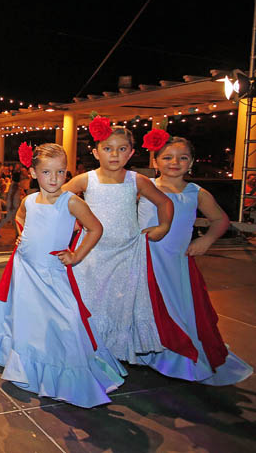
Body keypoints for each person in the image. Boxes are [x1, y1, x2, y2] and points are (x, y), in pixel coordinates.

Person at [0, 143, 125, 408]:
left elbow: (95, 228)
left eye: (60, 172)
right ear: (33, 172)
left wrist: (76, 255)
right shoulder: (29, 200)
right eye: (47, 172)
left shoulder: (72, 201)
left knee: (66, 318)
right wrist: (22, 235)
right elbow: (21, 217)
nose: (54, 179)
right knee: (31, 320)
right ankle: (32, 366)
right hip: (26, 271)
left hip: (52, 272)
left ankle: (69, 372)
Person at [62, 117, 189, 364]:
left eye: (121, 149)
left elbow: (165, 202)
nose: (114, 155)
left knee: (118, 303)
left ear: (130, 153)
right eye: (107, 148)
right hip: (91, 253)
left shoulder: (136, 180)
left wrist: (163, 226)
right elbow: (58, 201)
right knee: (90, 299)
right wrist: (73, 220)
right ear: (96, 151)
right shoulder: (85, 179)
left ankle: (115, 351)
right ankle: (89, 347)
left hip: (126, 253)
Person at [137, 135, 252, 384]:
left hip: (176, 262)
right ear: (155, 161)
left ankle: (179, 353)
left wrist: (205, 240)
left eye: (182, 158)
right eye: (167, 157)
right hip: (145, 259)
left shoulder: (196, 192)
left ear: (191, 163)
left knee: (179, 308)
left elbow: (220, 220)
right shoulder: (144, 187)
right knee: (146, 307)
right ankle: (146, 351)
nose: (174, 162)